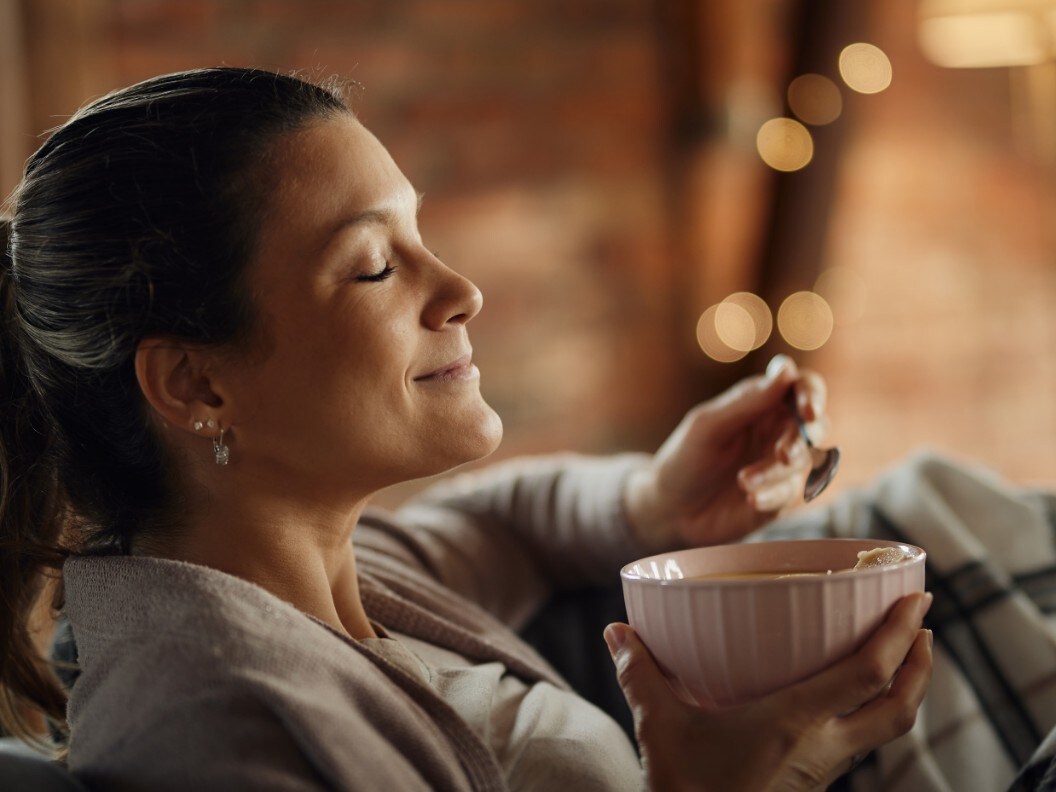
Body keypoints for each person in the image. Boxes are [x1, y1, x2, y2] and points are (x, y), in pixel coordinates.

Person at [0, 67, 932, 791]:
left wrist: (655, 501)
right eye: (372, 266)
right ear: (196, 382)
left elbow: (500, 525)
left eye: (420, 236)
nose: (461, 291)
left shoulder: (332, 577)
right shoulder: (214, 726)